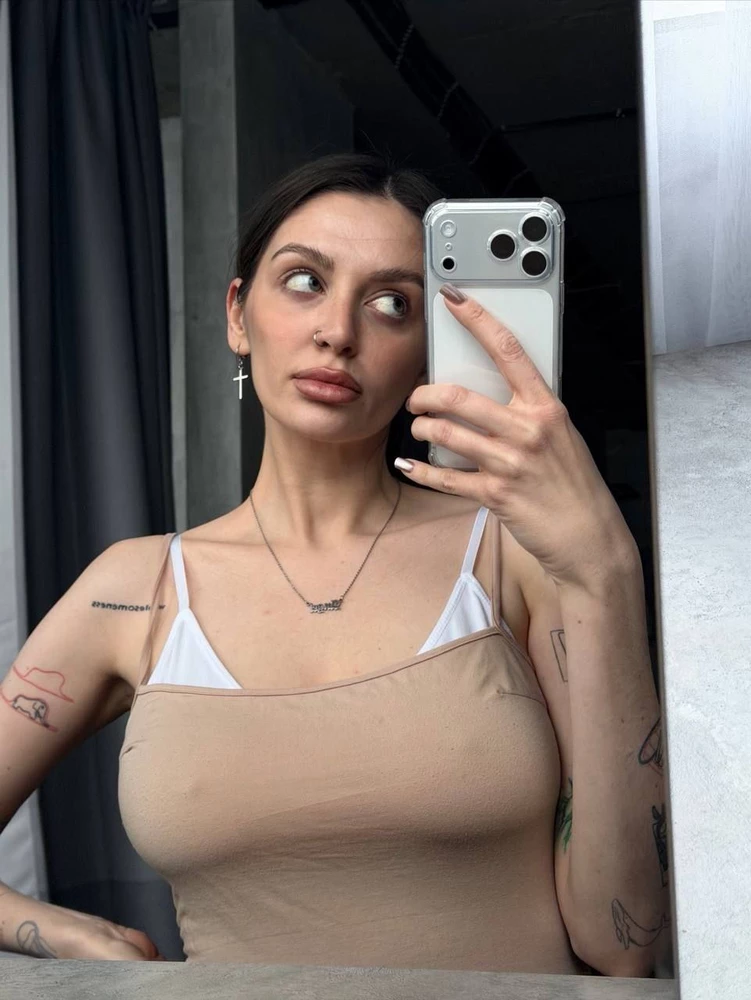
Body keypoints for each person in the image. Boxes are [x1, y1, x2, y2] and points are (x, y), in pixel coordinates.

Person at [0, 153, 669, 974]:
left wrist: (607, 568)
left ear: (427, 349)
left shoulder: (517, 556)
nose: (338, 331)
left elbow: (624, 940)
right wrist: (59, 936)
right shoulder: (131, 591)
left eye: (392, 304)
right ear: (238, 315)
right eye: (304, 281)